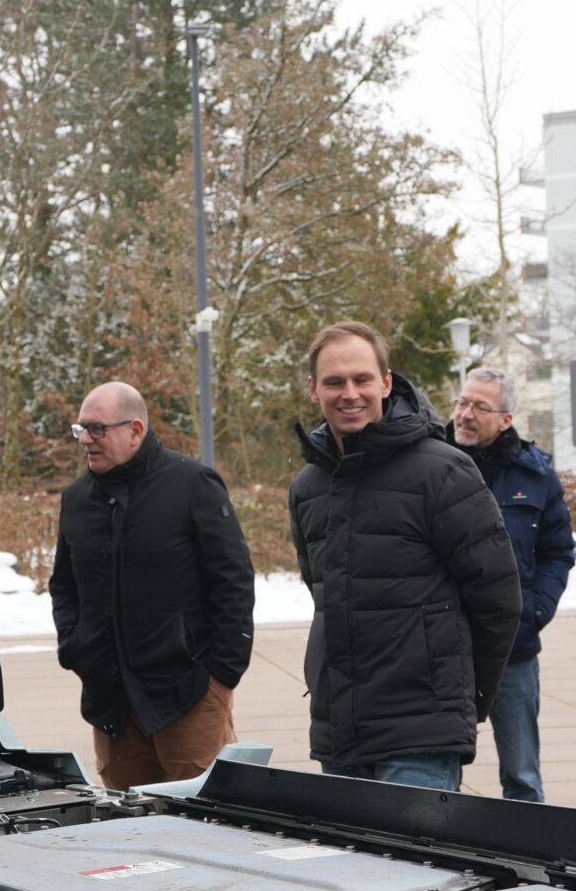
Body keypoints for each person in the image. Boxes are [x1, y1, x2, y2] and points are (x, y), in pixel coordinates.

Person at [289, 322, 520, 790]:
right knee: (351, 866)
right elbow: (324, 596)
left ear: (387, 383)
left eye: (362, 379)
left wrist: (468, 701)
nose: (349, 393)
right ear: (314, 390)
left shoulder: (442, 471)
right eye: (334, 382)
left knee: (418, 865)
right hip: (341, 734)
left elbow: (497, 600)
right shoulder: (308, 488)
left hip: (422, 736)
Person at [50, 382, 257, 790]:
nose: (86, 441)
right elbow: (64, 586)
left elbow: (232, 581)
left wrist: (223, 677)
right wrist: (75, 648)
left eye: (97, 429)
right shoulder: (76, 499)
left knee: (202, 824)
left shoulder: (192, 484)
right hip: (111, 703)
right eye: (81, 430)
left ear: (135, 429)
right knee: (128, 830)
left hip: (187, 697)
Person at [447, 366, 576, 802]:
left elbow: (557, 552)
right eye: (462, 402)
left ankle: (527, 867)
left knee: (522, 775)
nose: (465, 414)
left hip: (512, 649)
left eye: (480, 407)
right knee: (437, 773)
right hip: (440, 645)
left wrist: (535, 610)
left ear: (506, 419)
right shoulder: (429, 463)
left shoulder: (535, 475)